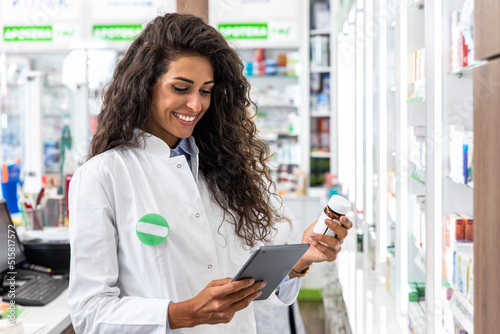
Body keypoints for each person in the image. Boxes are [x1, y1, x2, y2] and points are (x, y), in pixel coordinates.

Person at [67, 13, 353, 334]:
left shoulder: (222, 168)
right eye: (181, 88)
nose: (195, 104)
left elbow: (244, 287)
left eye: (206, 90)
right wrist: (181, 313)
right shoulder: (102, 176)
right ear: (144, 86)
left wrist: (300, 261)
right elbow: (89, 311)